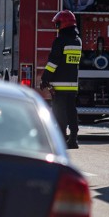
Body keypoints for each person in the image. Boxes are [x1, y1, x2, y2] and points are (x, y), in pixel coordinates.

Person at [41, 10, 82, 149]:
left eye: (57, 24)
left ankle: (62, 138)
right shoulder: (78, 41)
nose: (56, 27)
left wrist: (45, 78)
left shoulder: (60, 41)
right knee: (72, 111)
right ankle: (74, 139)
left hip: (59, 84)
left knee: (60, 112)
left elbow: (53, 63)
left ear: (63, 24)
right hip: (72, 84)